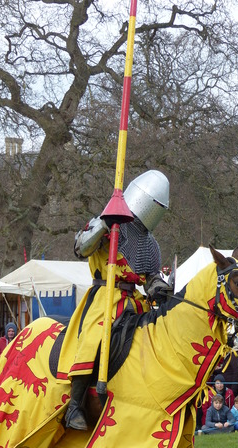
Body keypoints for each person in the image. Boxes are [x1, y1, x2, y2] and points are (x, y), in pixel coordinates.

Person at [64, 169, 170, 431]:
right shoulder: (109, 227)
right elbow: (80, 248)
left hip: (135, 300)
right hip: (105, 297)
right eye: (152, 204)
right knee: (95, 339)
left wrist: (158, 288)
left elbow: (152, 276)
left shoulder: (150, 244)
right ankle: (74, 405)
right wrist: (103, 224)